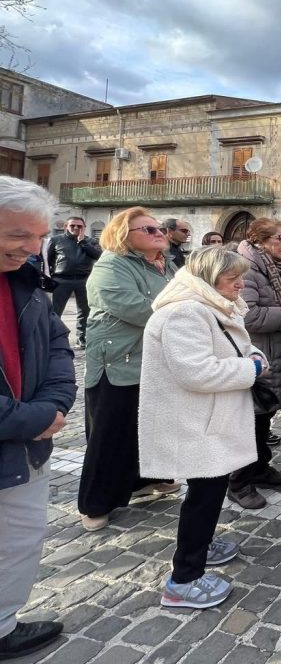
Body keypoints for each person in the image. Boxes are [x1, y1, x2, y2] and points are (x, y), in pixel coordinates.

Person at [138, 247, 266, 609]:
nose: (241, 284)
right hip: (196, 423)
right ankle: (183, 580)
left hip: (208, 420)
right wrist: (252, 370)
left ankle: (202, 545)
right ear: (209, 280)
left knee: (206, 494)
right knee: (203, 498)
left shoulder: (207, 304)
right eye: (232, 279)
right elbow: (197, 371)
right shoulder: (185, 312)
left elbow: (236, 347)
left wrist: (255, 359)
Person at [0, 176, 74, 660]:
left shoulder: (24, 280)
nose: (31, 248)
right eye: (18, 236)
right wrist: (31, 419)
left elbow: (56, 344)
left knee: (18, 543)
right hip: (20, 431)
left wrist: (54, 406)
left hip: (24, 444)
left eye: (39, 237)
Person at [78, 207, 179, 532]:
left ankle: (145, 480)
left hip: (153, 360)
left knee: (150, 425)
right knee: (110, 433)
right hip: (117, 361)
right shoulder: (111, 265)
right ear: (125, 236)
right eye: (148, 230)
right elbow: (140, 310)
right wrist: (185, 311)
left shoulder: (166, 264)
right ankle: (95, 502)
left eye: (158, 227)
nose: (158, 232)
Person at [230, 219, 281, 508]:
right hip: (257, 352)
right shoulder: (246, 268)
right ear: (259, 241)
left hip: (276, 351)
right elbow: (249, 315)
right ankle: (238, 481)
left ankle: (260, 467)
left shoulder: (278, 267)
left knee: (264, 416)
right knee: (251, 419)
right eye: (280, 238)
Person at [47, 215, 102, 348]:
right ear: (66, 226)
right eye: (72, 225)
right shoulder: (55, 240)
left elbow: (98, 256)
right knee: (55, 311)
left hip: (84, 280)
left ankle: (81, 338)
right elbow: (47, 259)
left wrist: (82, 242)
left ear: (84, 228)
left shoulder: (91, 241)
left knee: (84, 311)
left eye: (79, 226)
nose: (76, 228)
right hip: (61, 280)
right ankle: (53, 337)